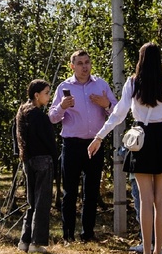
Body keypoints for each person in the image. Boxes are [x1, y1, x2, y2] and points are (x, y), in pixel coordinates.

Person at [89, 42, 162, 254]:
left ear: (141, 59)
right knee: (161, 199)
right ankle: (159, 253)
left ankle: (146, 253)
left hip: (140, 138)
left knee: (145, 199)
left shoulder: (133, 83)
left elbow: (118, 113)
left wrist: (99, 136)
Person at [48, 50, 117, 242]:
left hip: (95, 143)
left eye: (87, 62)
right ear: (72, 66)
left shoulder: (101, 85)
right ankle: (68, 235)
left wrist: (106, 104)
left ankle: (88, 234)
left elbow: (117, 112)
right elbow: (52, 118)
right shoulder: (64, 87)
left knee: (91, 191)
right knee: (69, 192)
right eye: (80, 63)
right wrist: (62, 106)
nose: (84, 67)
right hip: (72, 144)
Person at [15, 79, 55, 254]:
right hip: (43, 160)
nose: (49, 96)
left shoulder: (22, 113)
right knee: (42, 202)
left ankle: (25, 239)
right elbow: (48, 140)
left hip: (28, 160)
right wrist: (54, 155)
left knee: (31, 201)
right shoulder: (39, 116)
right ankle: (36, 242)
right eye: (46, 93)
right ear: (36, 95)